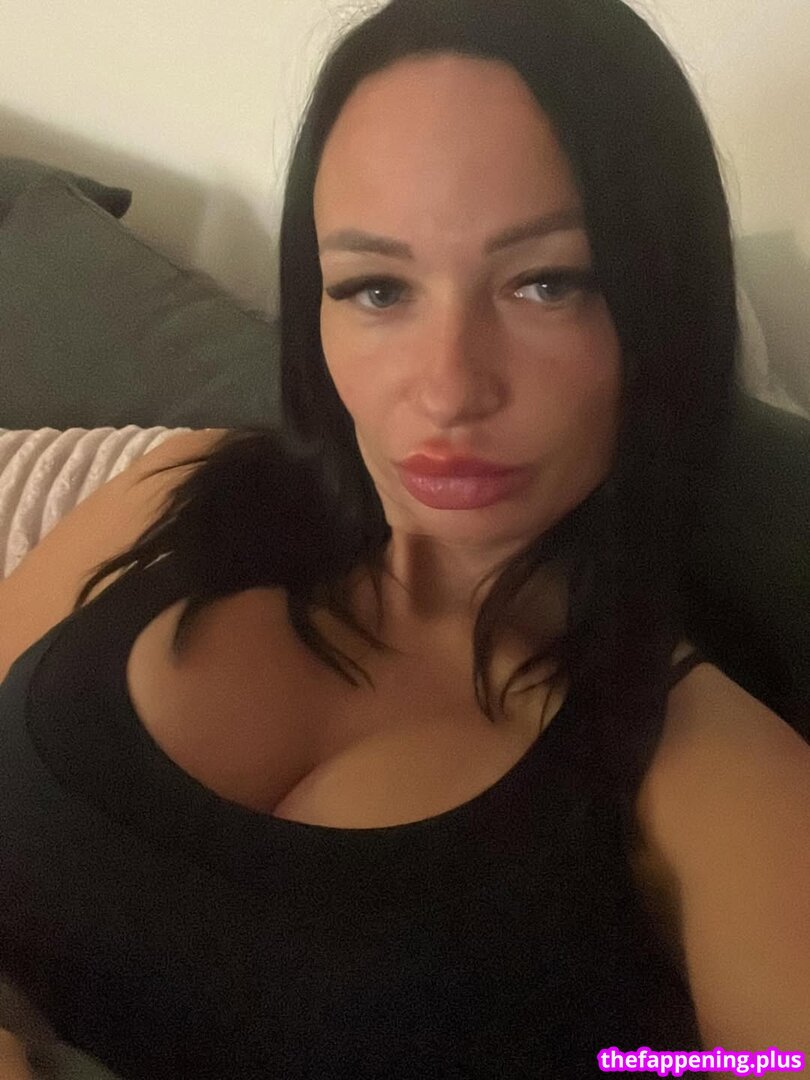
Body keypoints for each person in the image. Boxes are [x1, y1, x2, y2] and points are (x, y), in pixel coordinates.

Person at [1, 0, 808, 1076]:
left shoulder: (713, 779)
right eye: (377, 288)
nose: (448, 389)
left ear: (663, 304)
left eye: (548, 283)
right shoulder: (171, 492)